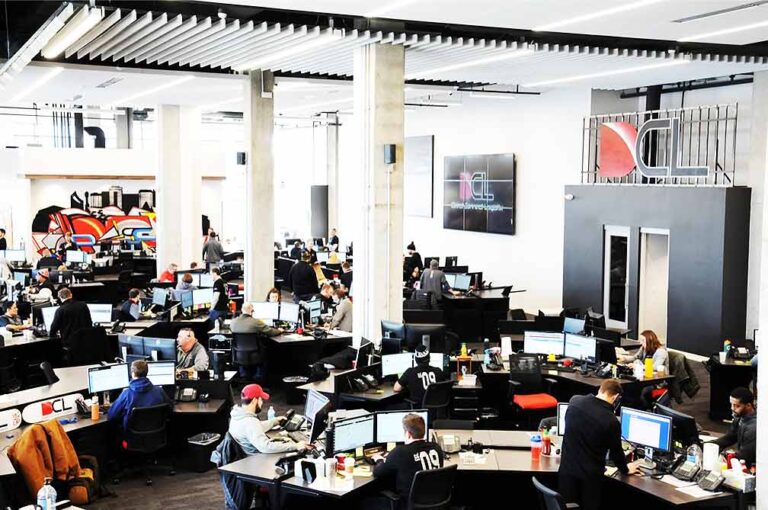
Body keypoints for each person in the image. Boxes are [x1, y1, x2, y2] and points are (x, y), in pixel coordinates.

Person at [558, 379, 639, 510]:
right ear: (616, 397)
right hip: (589, 481)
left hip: (566, 473)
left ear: (600, 390)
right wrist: (625, 469)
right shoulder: (611, 421)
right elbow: (616, 453)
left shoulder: (575, 401)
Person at [371, 414, 444, 499]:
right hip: (436, 500)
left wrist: (379, 460)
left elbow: (378, 473)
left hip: (409, 502)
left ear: (408, 434)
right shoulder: (436, 448)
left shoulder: (400, 452)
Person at [229, 384, 308, 454]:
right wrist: (296, 446)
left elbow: (256, 428)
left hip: (249, 454)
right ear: (254, 400)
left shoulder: (237, 415)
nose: (262, 403)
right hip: (258, 458)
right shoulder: (250, 422)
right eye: (261, 399)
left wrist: (274, 421)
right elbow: (265, 447)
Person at [108, 360, 172, 430]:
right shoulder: (159, 391)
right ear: (147, 372)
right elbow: (170, 409)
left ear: (132, 374)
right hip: (157, 433)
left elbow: (111, 416)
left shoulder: (126, 394)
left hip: (132, 435)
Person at [711, 387, 756, 467]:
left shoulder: (753, 428)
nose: (732, 408)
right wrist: (707, 445)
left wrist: (725, 456)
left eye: (737, 406)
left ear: (748, 406)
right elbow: (729, 438)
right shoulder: (739, 416)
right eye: (731, 404)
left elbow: (745, 455)